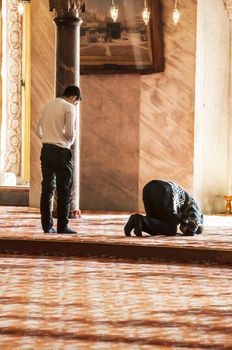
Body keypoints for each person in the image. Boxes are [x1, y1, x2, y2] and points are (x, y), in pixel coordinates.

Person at [36, 85, 82, 234]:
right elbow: (69, 133)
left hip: (46, 150)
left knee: (47, 189)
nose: (75, 104)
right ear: (74, 97)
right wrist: (70, 137)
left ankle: (47, 226)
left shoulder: (47, 106)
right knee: (64, 191)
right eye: (76, 102)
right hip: (61, 152)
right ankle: (63, 226)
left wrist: (49, 139)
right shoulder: (69, 107)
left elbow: (38, 131)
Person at [124, 180, 204, 237]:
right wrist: (190, 232)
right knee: (171, 230)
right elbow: (195, 222)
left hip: (149, 188)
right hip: (165, 190)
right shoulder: (195, 208)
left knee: (156, 228)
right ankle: (139, 219)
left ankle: (136, 221)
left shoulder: (182, 215)